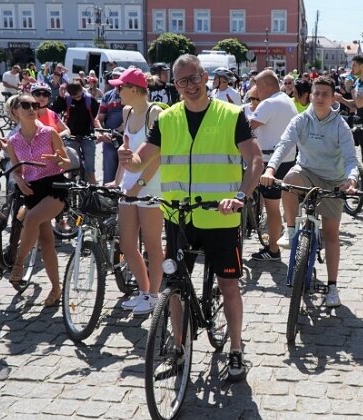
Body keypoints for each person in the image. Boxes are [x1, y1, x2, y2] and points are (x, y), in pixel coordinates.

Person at [118, 53, 263, 382]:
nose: (190, 85)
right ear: (175, 84)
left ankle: (236, 349)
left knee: (228, 285)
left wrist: (241, 195)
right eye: (182, 80)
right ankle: (179, 350)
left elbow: (254, 159)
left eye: (195, 77)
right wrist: (128, 160)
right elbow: (143, 160)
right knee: (174, 286)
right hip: (178, 216)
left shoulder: (230, 114)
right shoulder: (167, 119)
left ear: (205, 77)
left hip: (220, 217)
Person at [260, 76, 360, 307]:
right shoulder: (301, 120)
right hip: (305, 172)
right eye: (316, 93)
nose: (320, 98)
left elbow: (350, 158)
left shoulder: (340, 126)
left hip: (333, 180)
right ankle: (292, 230)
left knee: (331, 234)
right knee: (289, 179)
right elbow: (283, 144)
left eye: (325, 94)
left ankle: (333, 287)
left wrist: (351, 180)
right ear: (310, 95)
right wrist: (271, 169)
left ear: (333, 97)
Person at [106, 68, 165, 315]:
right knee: (128, 243)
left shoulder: (156, 113)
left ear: (134, 89)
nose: (116, 91)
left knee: (152, 245)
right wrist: (116, 180)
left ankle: (154, 296)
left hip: (150, 186)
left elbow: (160, 156)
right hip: (128, 186)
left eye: (120, 87)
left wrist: (137, 186)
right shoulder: (127, 111)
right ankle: (144, 291)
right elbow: (126, 150)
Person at [5, 94, 71, 306]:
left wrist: (59, 159)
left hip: (54, 187)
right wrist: (19, 180)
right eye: (26, 105)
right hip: (32, 191)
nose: (33, 108)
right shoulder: (13, 141)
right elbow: (16, 169)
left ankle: (18, 265)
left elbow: (67, 163)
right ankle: (56, 288)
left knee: (31, 219)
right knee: (46, 243)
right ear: (15, 111)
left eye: (35, 105)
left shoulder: (50, 132)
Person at [246, 70, 298, 261]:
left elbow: (247, 126)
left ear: (267, 85)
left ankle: (273, 249)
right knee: (276, 205)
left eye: (258, 87)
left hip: (271, 162)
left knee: (272, 208)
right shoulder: (285, 99)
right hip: (288, 159)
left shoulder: (269, 103)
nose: (256, 92)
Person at [333, 55, 363, 191]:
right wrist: (341, 99)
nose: (352, 68)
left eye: (354, 65)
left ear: (362, 66)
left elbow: (360, 102)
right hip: (358, 120)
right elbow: (355, 106)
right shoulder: (359, 82)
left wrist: (351, 88)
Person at [51, 80, 101, 184]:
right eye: (73, 96)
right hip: (71, 136)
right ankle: (72, 187)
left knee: (89, 170)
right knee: (72, 168)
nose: (76, 98)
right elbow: (54, 111)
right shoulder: (68, 99)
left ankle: (92, 192)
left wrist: (100, 132)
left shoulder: (90, 100)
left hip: (87, 136)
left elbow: (99, 117)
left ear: (82, 90)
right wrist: (60, 97)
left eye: (77, 95)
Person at [97, 67, 126, 184]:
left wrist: (120, 129)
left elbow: (133, 115)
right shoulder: (107, 96)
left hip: (126, 138)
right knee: (109, 173)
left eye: (118, 76)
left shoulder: (129, 94)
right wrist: (103, 133)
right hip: (110, 140)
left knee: (125, 173)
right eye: (113, 76)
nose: (115, 78)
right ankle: (107, 200)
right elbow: (99, 118)